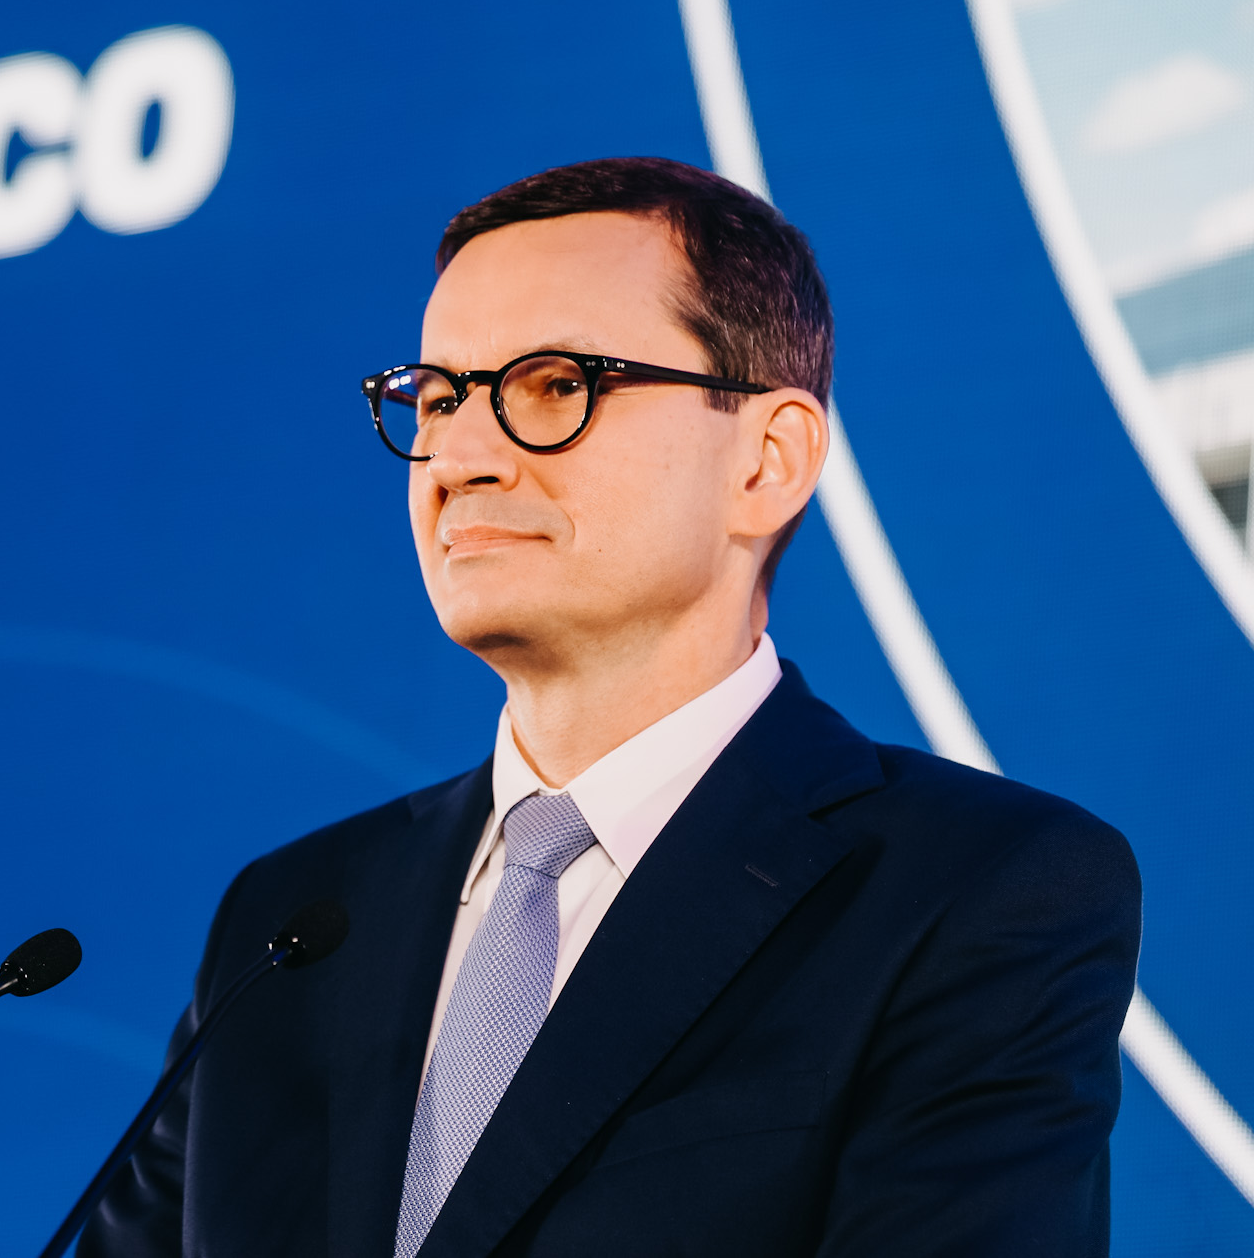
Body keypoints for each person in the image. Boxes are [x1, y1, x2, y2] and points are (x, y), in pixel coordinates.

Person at [79, 157, 1141, 1258]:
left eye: (554, 386)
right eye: (436, 398)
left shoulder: (973, 889)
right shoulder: (291, 919)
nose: (458, 457)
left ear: (767, 461)